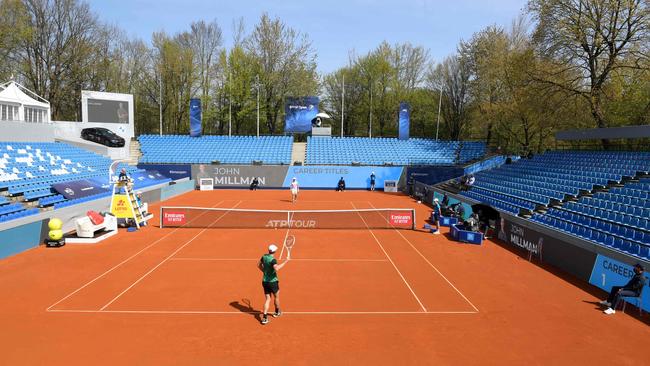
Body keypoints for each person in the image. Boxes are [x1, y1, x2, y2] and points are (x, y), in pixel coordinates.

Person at [258, 244, 290, 325]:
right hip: (273, 282)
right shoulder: (273, 260)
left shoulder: (264, 256)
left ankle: (264, 318)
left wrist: (264, 272)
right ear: (275, 251)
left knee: (268, 299)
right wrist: (286, 261)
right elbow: (277, 268)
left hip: (265, 281)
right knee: (276, 297)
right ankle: (276, 312)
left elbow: (258, 265)